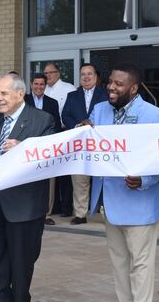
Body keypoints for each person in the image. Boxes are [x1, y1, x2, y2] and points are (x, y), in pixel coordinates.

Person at [86, 63, 159, 302]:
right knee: (119, 264)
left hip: (139, 203)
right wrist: (82, 130)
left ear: (134, 89)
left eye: (118, 84)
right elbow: (86, 143)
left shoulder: (155, 115)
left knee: (140, 265)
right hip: (109, 204)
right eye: (110, 82)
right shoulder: (99, 110)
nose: (111, 87)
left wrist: (144, 179)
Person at [0, 73, 56, 302]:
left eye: (4, 93)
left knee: (21, 267)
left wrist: (23, 148)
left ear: (20, 93)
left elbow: (51, 159)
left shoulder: (43, 119)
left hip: (24, 209)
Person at [61, 64, 108, 225]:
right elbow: (65, 115)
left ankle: (107, 213)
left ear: (96, 77)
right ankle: (80, 214)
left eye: (89, 74)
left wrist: (93, 124)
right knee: (80, 180)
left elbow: (111, 114)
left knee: (104, 179)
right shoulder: (72, 96)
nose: (86, 77)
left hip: (101, 144)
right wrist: (78, 125)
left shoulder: (106, 94)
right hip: (79, 145)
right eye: (83, 75)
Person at [24, 73, 62, 225]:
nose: (39, 87)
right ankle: (27, 210)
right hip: (28, 147)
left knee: (48, 182)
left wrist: (53, 142)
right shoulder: (23, 101)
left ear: (45, 86)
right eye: (36, 84)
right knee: (27, 180)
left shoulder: (52, 103)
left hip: (47, 147)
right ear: (31, 84)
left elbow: (57, 124)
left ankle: (46, 214)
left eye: (42, 84)